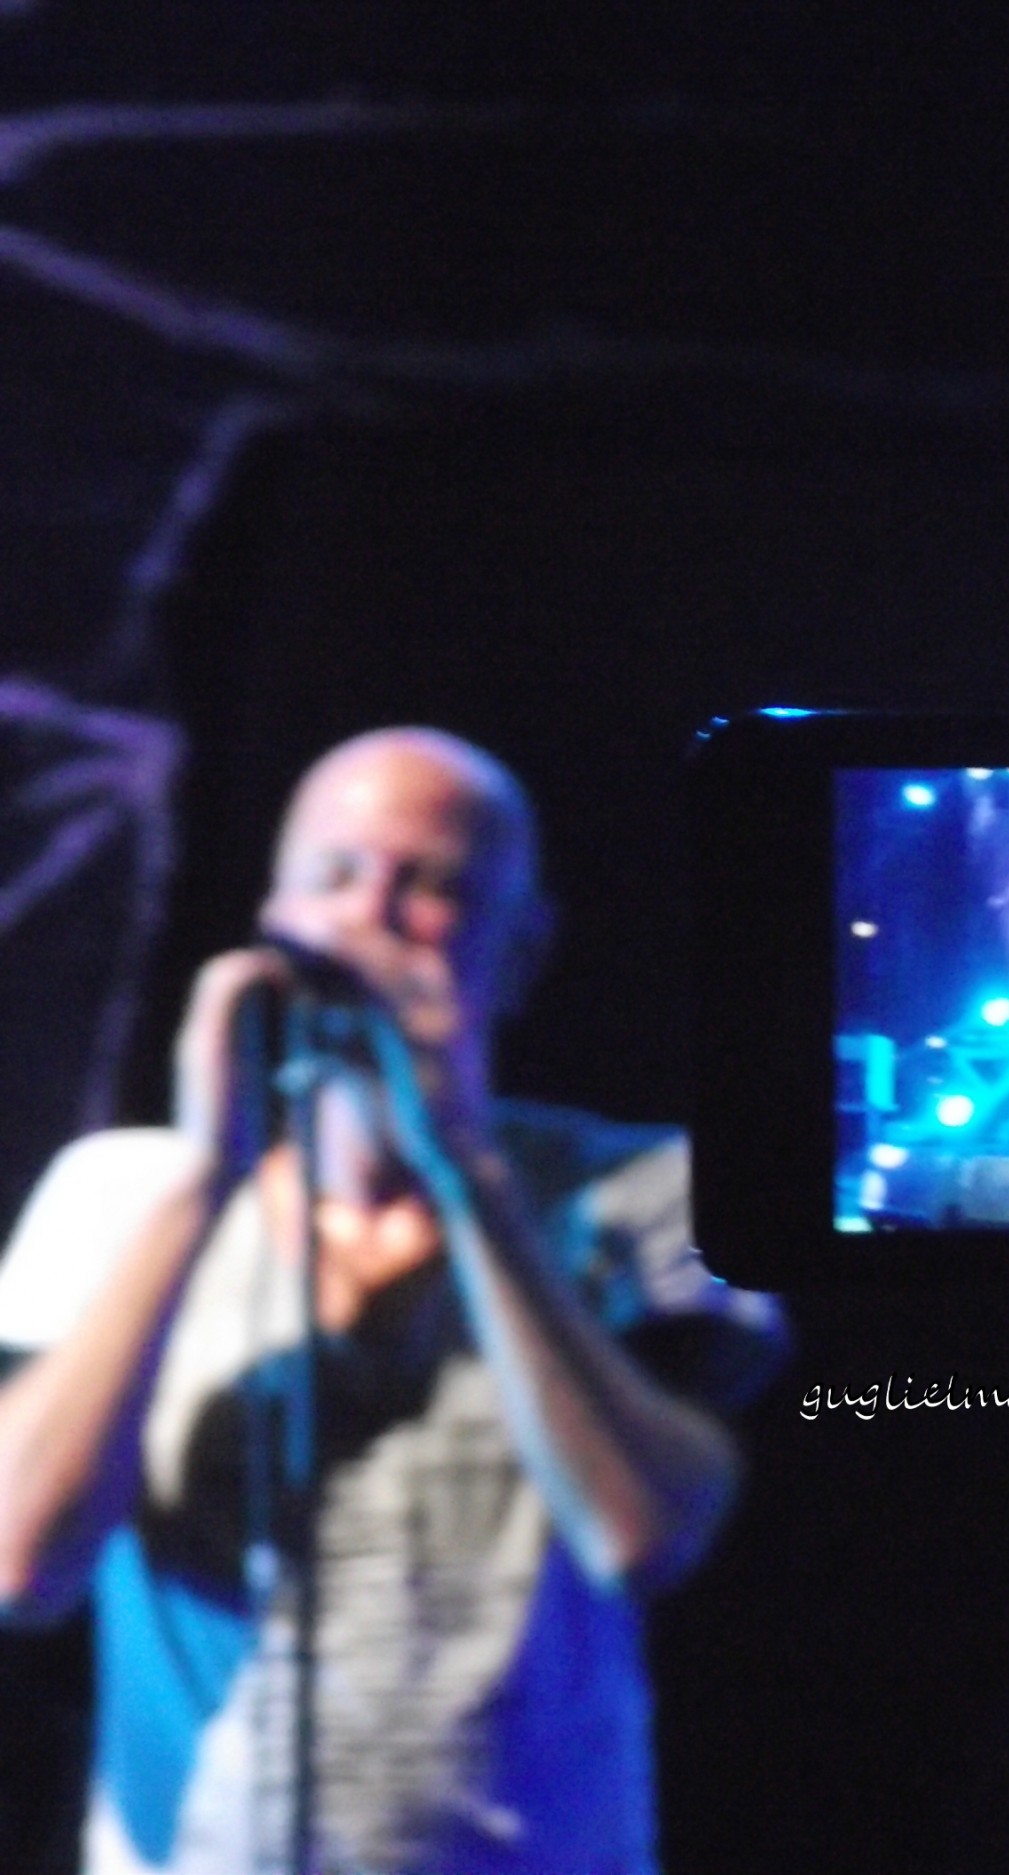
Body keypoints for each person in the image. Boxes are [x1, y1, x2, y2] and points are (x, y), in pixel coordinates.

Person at [0, 727, 786, 1875]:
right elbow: (20, 1562)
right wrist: (205, 1179)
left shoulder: (643, 1192)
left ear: (521, 952)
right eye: (333, 876)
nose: (369, 917)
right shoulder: (116, 1196)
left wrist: (462, 1162)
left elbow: (646, 1532)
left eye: (434, 887)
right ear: (272, 924)